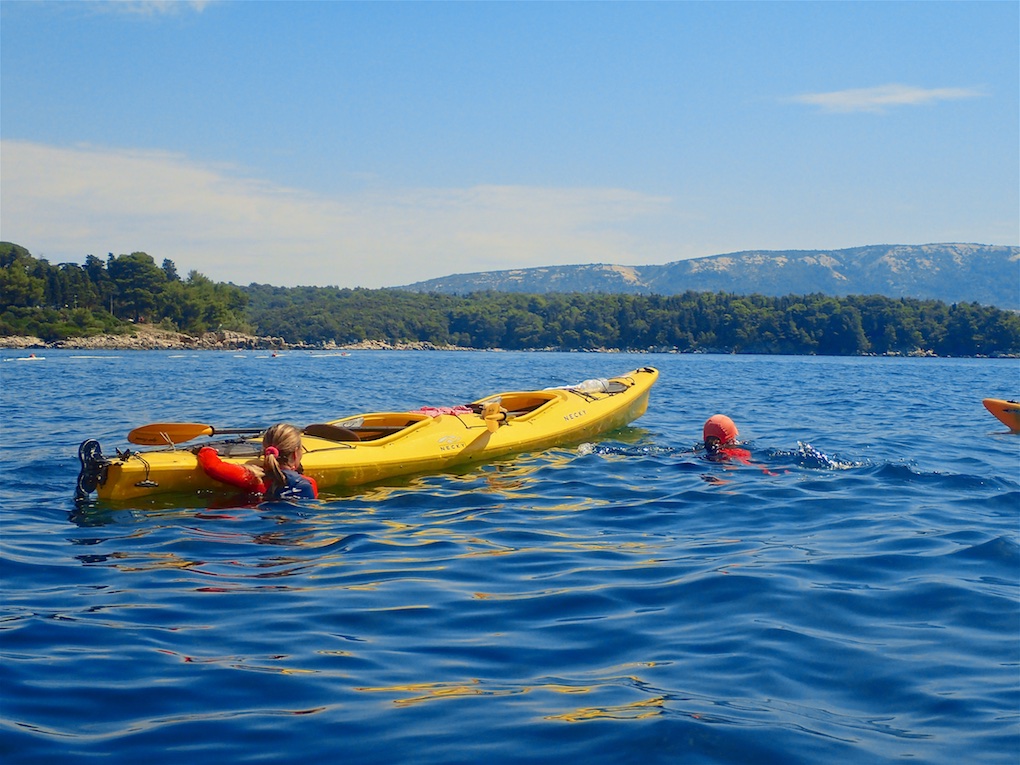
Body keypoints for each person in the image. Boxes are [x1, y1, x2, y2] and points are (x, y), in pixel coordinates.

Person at [197, 423, 318, 500]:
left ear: (266, 450)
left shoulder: (253, 478)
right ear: (295, 454)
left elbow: (212, 467)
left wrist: (206, 450)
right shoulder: (310, 483)